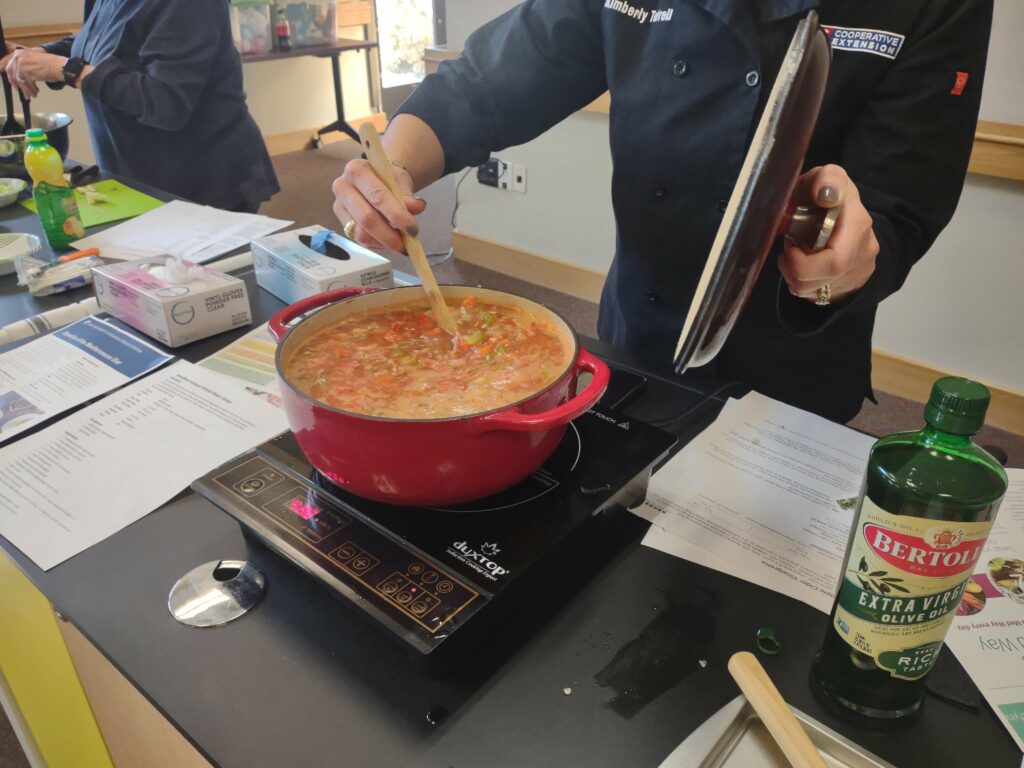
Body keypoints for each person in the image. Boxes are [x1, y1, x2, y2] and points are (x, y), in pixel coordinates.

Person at [330, 0, 992, 423]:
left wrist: (842, 260)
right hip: (637, 331)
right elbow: (487, 82)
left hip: (798, 364)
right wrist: (394, 166)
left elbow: (900, 205)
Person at [2, 0, 279, 213]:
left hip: (205, 181)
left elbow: (165, 103)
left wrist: (68, 71)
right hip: (139, 175)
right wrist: (41, 55)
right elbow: (102, 42)